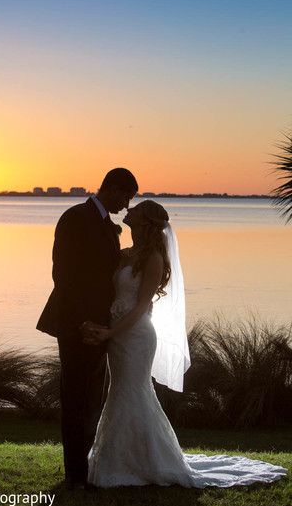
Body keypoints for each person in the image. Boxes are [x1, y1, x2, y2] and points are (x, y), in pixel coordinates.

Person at [86, 200, 287, 488]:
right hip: (116, 336)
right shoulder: (124, 254)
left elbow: (142, 306)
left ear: (146, 221)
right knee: (119, 390)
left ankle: (140, 461)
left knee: (132, 391)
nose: (129, 209)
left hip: (136, 336)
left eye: (137, 209)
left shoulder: (153, 258)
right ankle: (120, 457)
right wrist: (102, 329)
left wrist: (109, 332)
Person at [36, 168, 138, 489]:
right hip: (75, 324)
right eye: (126, 195)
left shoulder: (109, 226)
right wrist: (82, 321)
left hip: (101, 327)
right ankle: (75, 475)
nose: (127, 204)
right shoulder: (75, 218)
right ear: (111, 188)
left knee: (93, 399)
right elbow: (63, 276)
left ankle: (88, 469)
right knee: (76, 399)